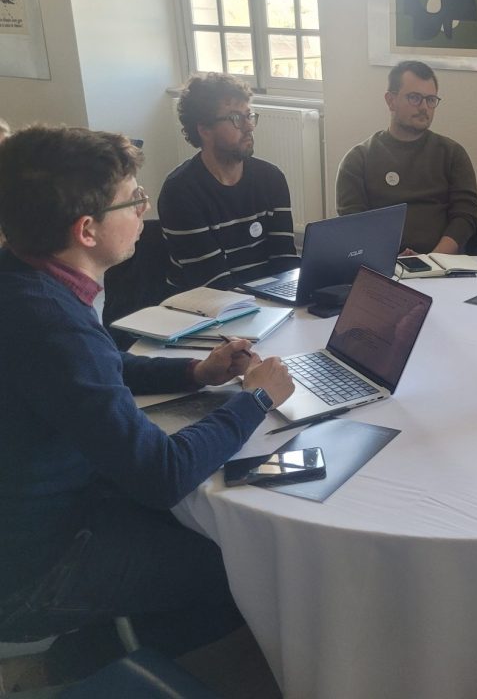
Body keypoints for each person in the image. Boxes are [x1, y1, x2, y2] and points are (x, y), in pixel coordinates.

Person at [0, 126, 295, 675]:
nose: (144, 208)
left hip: (45, 516)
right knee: (242, 569)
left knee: (208, 529)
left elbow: (96, 366)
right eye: (133, 198)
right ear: (87, 229)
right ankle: (61, 666)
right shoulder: (51, 324)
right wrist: (254, 398)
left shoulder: (23, 277)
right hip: (36, 567)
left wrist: (195, 371)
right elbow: (162, 474)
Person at [159, 73, 298, 290]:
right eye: (236, 118)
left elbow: (285, 261)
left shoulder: (271, 178)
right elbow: (214, 284)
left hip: (264, 300)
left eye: (249, 115)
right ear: (205, 129)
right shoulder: (180, 192)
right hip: (200, 306)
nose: (249, 126)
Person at [337, 60, 477, 255]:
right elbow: (353, 224)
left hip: (442, 262)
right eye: (414, 98)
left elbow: (465, 215)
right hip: (381, 264)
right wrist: (389, 259)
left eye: (431, 99)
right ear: (391, 100)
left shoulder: (452, 154)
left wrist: (432, 260)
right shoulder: (358, 160)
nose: (424, 107)